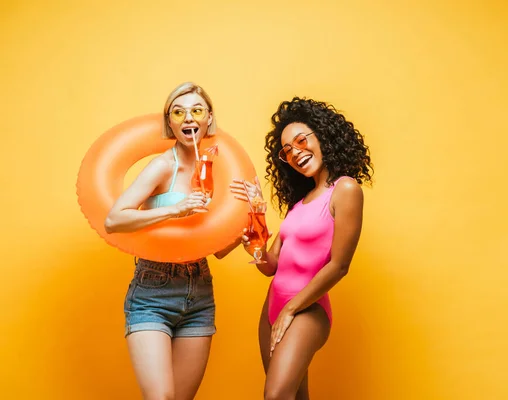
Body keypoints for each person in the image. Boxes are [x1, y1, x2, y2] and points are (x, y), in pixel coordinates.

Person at [231, 97, 374, 400]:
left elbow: (339, 265)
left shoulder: (345, 189)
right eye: (287, 151)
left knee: (277, 395)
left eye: (300, 141)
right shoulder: (299, 205)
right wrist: (255, 231)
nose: (296, 153)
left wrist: (292, 309)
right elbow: (270, 265)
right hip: (272, 308)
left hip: (306, 310)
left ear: (322, 136)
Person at [105, 82, 241, 400]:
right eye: (178, 112)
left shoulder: (216, 170)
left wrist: (250, 227)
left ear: (208, 118)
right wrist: (175, 210)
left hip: (200, 291)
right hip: (154, 290)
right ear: (171, 123)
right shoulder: (163, 165)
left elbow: (218, 249)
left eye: (196, 110)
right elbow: (114, 220)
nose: (188, 118)